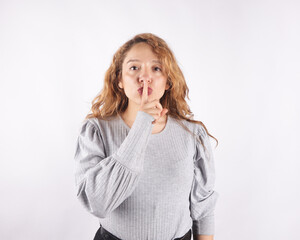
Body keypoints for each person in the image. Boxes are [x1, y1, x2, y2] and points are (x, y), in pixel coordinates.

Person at [74, 33, 219, 240]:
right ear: (120, 81)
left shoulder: (192, 134)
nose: (145, 76)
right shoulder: (96, 130)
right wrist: (142, 124)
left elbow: (203, 207)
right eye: (134, 68)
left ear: (168, 82)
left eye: (156, 68)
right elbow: (97, 203)